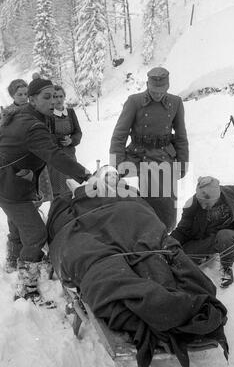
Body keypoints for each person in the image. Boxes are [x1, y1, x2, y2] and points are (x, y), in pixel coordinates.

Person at [47, 166, 228, 367]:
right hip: (94, 226)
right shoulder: (78, 195)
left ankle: (167, 300)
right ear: (96, 179)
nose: (113, 178)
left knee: (156, 256)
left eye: (115, 175)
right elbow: (60, 218)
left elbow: (144, 210)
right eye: (108, 176)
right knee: (103, 261)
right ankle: (149, 301)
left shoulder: (130, 193)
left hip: (133, 220)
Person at [0, 75, 92, 303]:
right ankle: (26, 289)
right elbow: (54, 155)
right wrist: (86, 175)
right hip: (10, 189)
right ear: (32, 99)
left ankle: (24, 263)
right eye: (46, 97)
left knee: (25, 229)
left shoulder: (22, 116)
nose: (52, 101)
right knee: (35, 234)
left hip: (13, 182)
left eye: (54, 96)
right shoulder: (31, 125)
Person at [109, 67, 189, 233]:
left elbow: (181, 137)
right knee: (119, 194)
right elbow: (119, 135)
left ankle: (163, 236)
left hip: (163, 156)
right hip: (137, 156)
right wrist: (117, 164)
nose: (157, 94)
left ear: (167, 86)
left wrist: (182, 164)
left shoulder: (175, 102)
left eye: (161, 91)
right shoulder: (134, 101)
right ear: (147, 85)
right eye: (154, 91)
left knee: (165, 209)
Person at [47, 84, 82, 197]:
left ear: (64, 97)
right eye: (55, 96)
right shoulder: (48, 115)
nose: (58, 99)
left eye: (61, 96)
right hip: (55, 156)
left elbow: (78, 132)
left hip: (70, 155)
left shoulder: (70, 112)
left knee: (72, 185)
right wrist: (61, 140)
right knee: (58, 189)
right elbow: (46, 136)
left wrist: (71, 140)